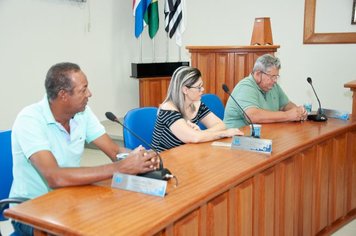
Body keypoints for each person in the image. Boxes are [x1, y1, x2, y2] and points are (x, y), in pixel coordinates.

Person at [9, 62, 159, 236]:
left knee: (124, 217)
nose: (89, 94)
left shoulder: (82, 113)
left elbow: (114, 151)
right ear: (63, 95)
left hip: (70, 198)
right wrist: (119, 168)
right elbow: (54, 177)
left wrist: (139, 158)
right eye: (83, 89)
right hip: (30, 209)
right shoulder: (30, 119)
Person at [151, 66, 243, 152]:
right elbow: (194, 138)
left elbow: (221, 125)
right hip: (162, 162)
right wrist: (222, 134)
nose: (202, 89)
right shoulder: (168, 109)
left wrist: (201, 134)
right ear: (185, 90)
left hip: (186, 156)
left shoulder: (196, 105)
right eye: (198, 87)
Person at [223, 54, 308, 128]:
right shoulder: (245, 87)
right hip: (235, 139)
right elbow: (253, 116)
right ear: (258, 74)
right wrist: (288, 115)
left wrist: (298, 111)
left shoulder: (272, 86)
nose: (275, 80)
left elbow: (285, 104)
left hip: (261, 136)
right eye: (272, 76)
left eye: (276, 76)